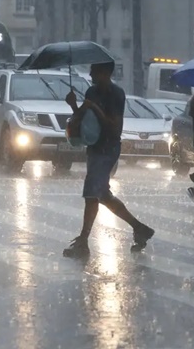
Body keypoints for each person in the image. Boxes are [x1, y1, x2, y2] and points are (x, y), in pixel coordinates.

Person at [63, 62, 154, 258]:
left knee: (91, 194)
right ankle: (140, 228)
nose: (90, 74)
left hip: (108, 149)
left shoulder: (116, 94)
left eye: (94, 71)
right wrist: (73, 106)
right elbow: (84, 118)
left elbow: (114, 127)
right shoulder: (91, 91)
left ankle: (83, 241)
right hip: (94, 147)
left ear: (105, 73)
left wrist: (94, 107)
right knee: (102, 195)